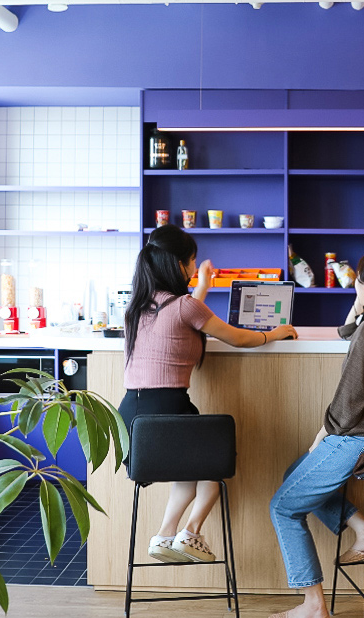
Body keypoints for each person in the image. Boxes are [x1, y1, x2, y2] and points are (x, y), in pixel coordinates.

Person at [122, 224, 298, 564]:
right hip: (170, 410)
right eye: (191, 261)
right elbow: (237, 338)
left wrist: (202, 284)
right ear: (177, 264)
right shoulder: (186, 306)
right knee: (216, 462)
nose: (193, 267)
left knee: (190, 470)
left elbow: (180, 316)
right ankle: (190, 534)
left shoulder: (138, 308)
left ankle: (164, 536)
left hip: (132, 421)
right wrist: (274, 333)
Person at [267, 250, 364, 618]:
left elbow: (349, 404)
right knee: (294, 475)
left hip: (357, 441)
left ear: (363, 283)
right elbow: (348, 333)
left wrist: (322, 435)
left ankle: (314, 606)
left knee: (283, 508)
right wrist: (358, 305)